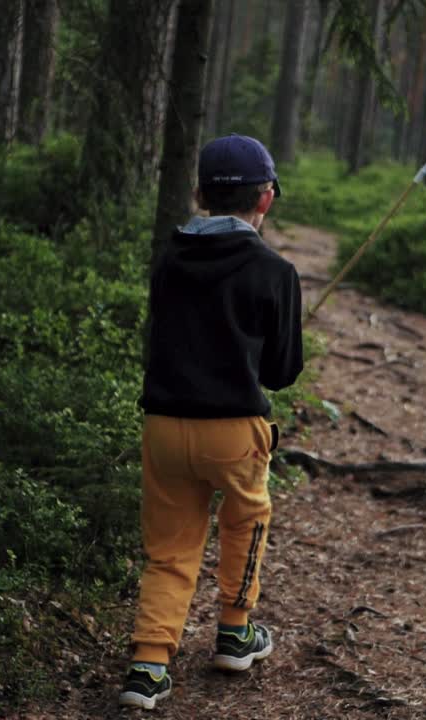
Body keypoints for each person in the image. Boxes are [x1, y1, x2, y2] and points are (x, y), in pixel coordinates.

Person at [118, 134, 304, 710]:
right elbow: (281, 373)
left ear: (198, 193)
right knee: (245, 521)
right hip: (234, 431)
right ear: (265, 200)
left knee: (170, 549)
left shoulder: (169, 260)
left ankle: (148, 667)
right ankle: (234, 631)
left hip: (165, 427)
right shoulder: (275, 270)